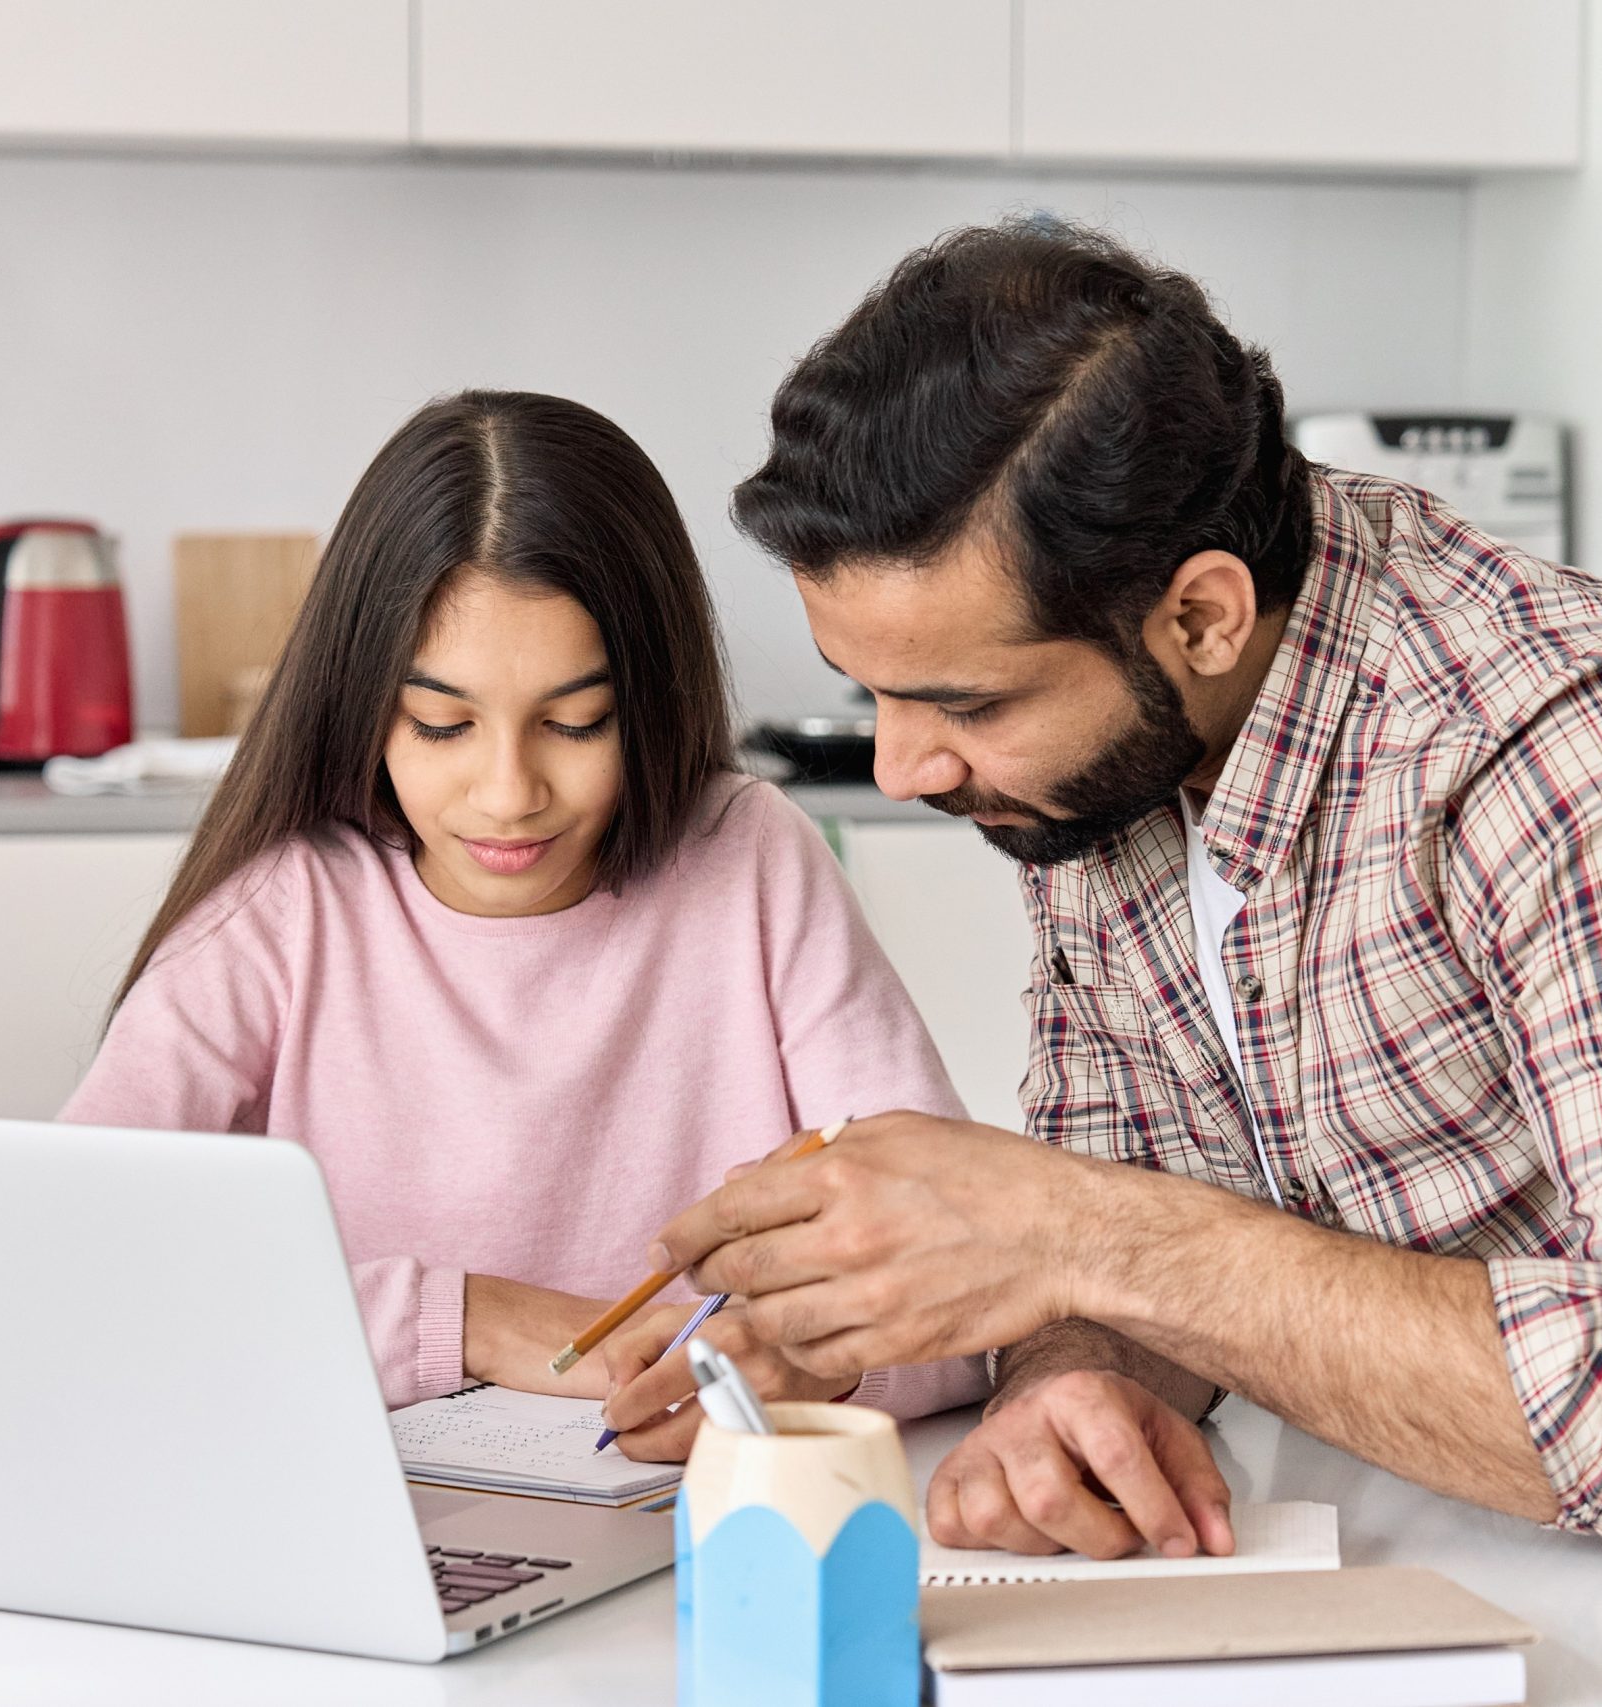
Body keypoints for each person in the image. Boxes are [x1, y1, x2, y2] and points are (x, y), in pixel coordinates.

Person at [611, 224, 1602, 1700]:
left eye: (958, 700)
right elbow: (1154, 1201)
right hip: (1506, 1618)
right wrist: (1079, 1386)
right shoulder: (1110, 767)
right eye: (872, 693)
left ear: (1203, 613)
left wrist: (1074, 1231)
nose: (906, 762)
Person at [63, 390, 985, 1456]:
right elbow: (76, 1269)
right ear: (363, 706)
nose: (507, 794)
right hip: (374, 1528)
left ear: (649, 701)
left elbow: (962, 1284)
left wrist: (808, 1361)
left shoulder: (748, 856)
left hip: (694, 1519)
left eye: (574, 722)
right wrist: (465, 1321)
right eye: (441, 724)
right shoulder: (288, 909)